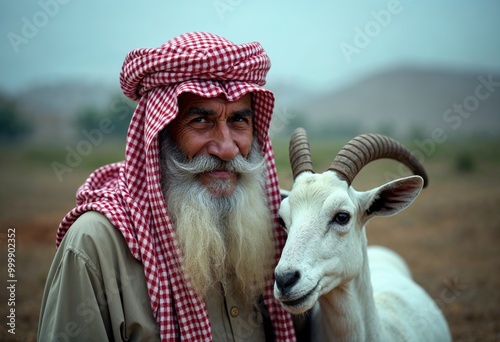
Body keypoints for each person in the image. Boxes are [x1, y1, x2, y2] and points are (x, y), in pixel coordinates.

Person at [38, 32, 310, 341]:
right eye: (201, 121)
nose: (226, 148)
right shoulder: (95, 245)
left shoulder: (281, 227)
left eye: (238, 122)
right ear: (160, 136)